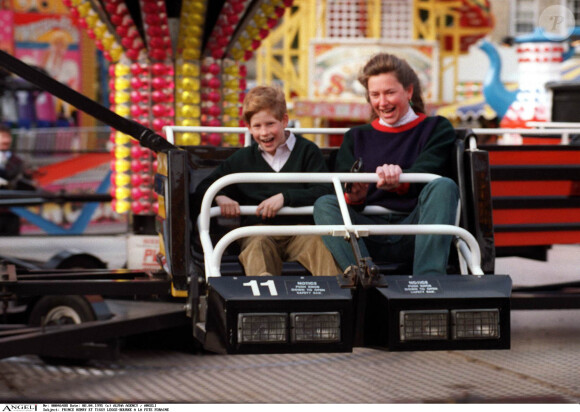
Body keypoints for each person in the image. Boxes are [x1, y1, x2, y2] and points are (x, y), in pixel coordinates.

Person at [313, 53, 459, 276]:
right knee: (325, 204)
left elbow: (430, 170)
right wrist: (355, 196)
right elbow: (343, 186)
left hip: (416, 230)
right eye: (375, 94)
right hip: (366, 234)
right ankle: (362, 275)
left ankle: (429, 283)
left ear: (409, 91)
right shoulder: (355, 136)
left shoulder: (436, 128)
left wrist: (400, 181)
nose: (383, 102)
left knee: (444, 186)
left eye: (390, 92)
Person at [193, 86, 341, 276]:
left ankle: (334, 300)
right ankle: (263, 301)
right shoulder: (242, 159)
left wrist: (285, 198)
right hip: (259, 230)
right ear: (248, 127)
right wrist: (220, 197)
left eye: (270, 124)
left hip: (301, 231)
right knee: (257, 246)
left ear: (284, 120)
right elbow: (205, 187)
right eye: (257, 126)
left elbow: (325, 190)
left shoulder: (307, 151)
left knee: (321, 246)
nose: (264, 133)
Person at [0, 125, 34, 235]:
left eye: (8, 136)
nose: (6, 140)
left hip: (12, 209)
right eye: (3, 136)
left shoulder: (18, 161)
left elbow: (23, 179)